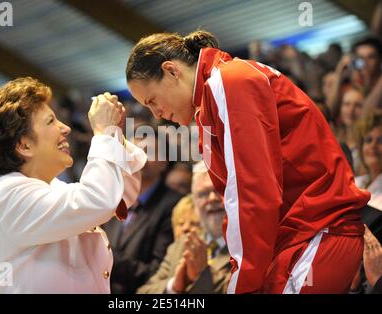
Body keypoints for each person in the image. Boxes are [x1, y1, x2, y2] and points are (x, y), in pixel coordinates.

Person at [126, 30, 370, 293]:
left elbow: (252, 191)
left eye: (152, 101)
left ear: (171, 71)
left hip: (317, 232)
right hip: (299, 236)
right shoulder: (213, 98)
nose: (157, 114)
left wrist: (242, 281)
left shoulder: (228, 81)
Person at [0, 77, 146, 293]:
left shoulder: (49, 188)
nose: (65, 129)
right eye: (51, 121)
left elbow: (122, 195)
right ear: (24, 145)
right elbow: (99, 200)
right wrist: (102, 134)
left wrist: (113, 134)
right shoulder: (6, 195)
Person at [102, 132, 182, 294]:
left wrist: (106, 257)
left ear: (164, 162)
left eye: (148, 151)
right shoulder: (114, 198)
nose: (139, 157)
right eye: (132, 152)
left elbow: (158, 271)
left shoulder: (174, 205)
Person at [138, 162, 230, 294]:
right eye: (203, 194)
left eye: (219, 190)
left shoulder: (247, 247)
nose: (212, 198)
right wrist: (174, 286)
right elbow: (143, 291)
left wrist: (204, 272)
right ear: (194, 203)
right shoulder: (182, 245)